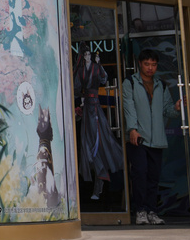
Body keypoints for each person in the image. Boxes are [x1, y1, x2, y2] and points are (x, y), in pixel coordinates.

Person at [122, 48, 180, 225]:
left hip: (157, 139)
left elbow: (167, 110)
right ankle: (140, 210)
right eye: (147, 64)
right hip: (138, 137)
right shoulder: (130, 82)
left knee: (154, 176)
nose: (150, 68)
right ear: (140, 64)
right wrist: (132, 129)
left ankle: (152, 211)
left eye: (153, 65)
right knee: (140, 173)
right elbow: (129, 107)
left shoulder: (161, 85)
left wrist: (178, 108)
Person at [74, 48, 123, 200]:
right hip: (86, 105)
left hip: (95, 106)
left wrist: (99, 64)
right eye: (86, 55)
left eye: (89, 55)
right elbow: (76, 88)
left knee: (98, 142)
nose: (87, 57)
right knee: (88, 144)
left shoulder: (95, 67)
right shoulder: (81, 70)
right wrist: (78, 103)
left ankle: (100, 181)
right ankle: (97, 181)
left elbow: (103, 79)